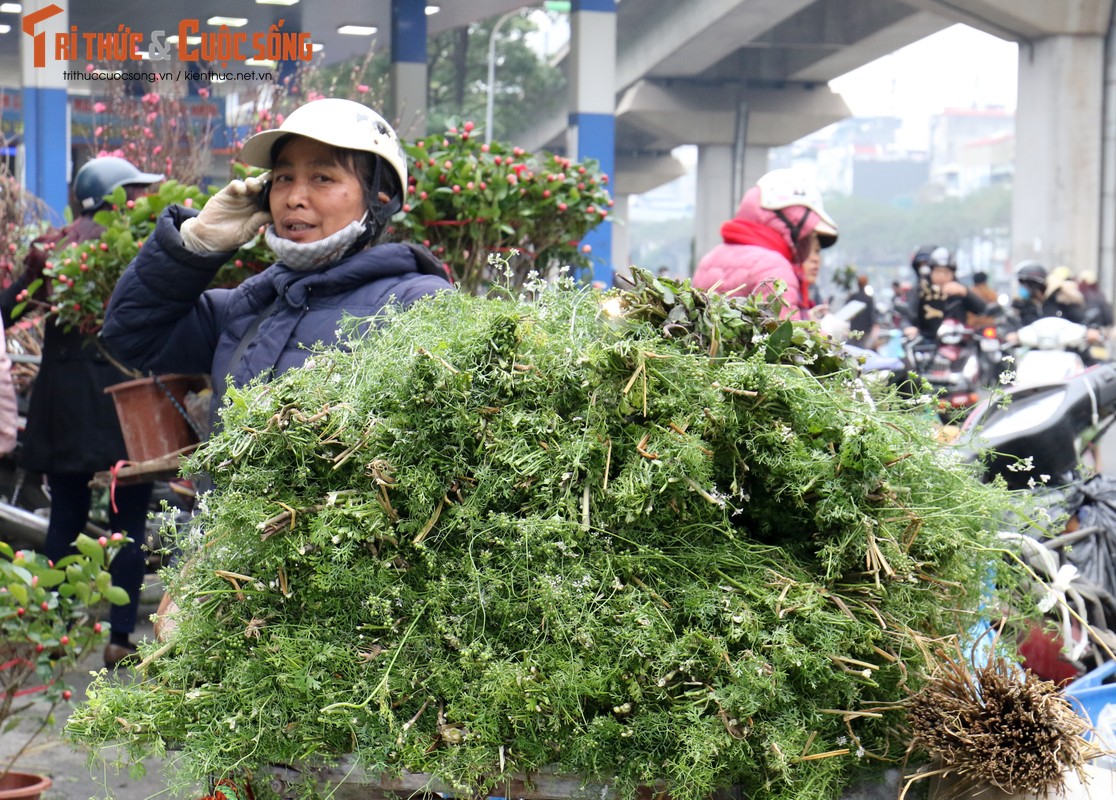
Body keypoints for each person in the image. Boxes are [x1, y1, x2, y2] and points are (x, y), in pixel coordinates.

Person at [101, 96, 454, 443]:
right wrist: (194, 245)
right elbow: (131, 336)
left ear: (379, 199)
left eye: (322, 177)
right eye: (284, 177)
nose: (294, 197)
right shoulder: (249, 305)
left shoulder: (416, 302)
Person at [0, 156, 164, 669]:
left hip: (64, 408)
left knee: (64, 522)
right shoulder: (142, 251)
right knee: (128, 524)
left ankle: (55, 629)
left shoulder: (51, 252)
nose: (138, 201)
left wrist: (37, 279)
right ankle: (119, 637)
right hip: (125, 405)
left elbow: (8, 311)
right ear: (116, 198)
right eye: (133, 192)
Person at [691, 169, 847, 337]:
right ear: (791, 224)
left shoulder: (710, 258)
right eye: (807, 234)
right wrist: (827, 334)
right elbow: (785, 339)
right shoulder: (775, 267)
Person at [903, 245, 991, 341]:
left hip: (959, 341)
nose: (941, 276)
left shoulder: (960, 291)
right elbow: (908, 317)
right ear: (930, 273)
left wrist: (966, 293)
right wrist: (909, 328)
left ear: (953, 274)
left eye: (946, 272)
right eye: (938, 272)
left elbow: (982, 310)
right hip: (928, 342)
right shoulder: (920, 291)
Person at [846, 274, 878, 348]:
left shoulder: (853, 297)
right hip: (866, 328)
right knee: (864, 350)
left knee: (853, 348)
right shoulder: (869, 298)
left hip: (854, 327)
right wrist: (874, 324)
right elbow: (872, 313)